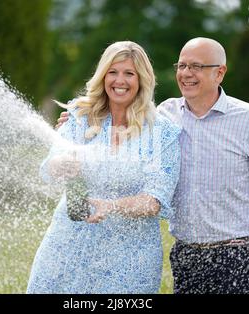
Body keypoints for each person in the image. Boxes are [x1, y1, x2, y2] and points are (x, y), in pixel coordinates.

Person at [56, 37, 249, 294]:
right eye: (181, 66)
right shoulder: (164, 116)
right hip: (185, 256)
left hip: (238, 255)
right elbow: (123, 118)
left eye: (196, 67)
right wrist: (76, 121)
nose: (186, 74)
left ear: (220, 72)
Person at [26, 41, 181, 293]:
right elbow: (48, 167)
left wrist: (110, 206)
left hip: (130, 257)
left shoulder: (161, 133)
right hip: (67, 246)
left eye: (129, 73)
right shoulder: (79, 116)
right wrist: (60, 164)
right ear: (103, 76)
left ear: (142, 79)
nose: (120, 80)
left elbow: (155, 201)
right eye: (113, 72)